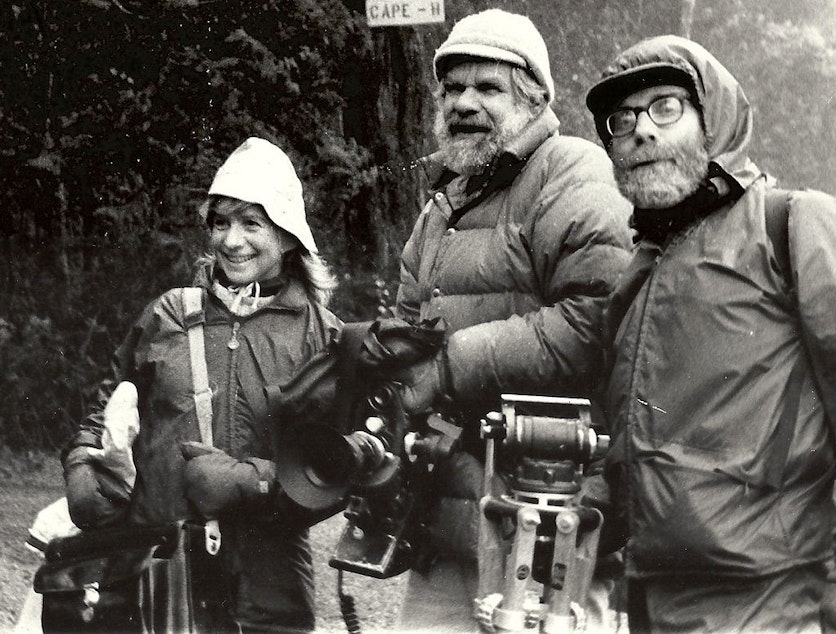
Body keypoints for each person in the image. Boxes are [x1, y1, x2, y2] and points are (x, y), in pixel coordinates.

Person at [392, 8, 633, 632]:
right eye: (452, 88)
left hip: (556, 529)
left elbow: (595, 321)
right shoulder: (441, 208)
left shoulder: (573, 172)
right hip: (453, 520)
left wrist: (450, 363)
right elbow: (405, 341)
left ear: (534, 100)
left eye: (488, 87)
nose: (464, 102)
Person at [585, 35, 836, 633]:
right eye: (621, 120)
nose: (641, 131)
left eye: (666, 107)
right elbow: (634, 449)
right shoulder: (636, 277)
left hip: (773, 605)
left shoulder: (795, 225)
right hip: (651, 603)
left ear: (714, 119)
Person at [61, 137, 341, 633]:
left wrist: (250, 483)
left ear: (288, 234)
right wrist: (85, 469)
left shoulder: (321, 334)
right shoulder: (168, 313)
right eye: (220, 221)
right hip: (158, 577)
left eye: (251, 222)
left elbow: (339, 466)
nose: (231, 240)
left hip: (267, 590)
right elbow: (102, 415)